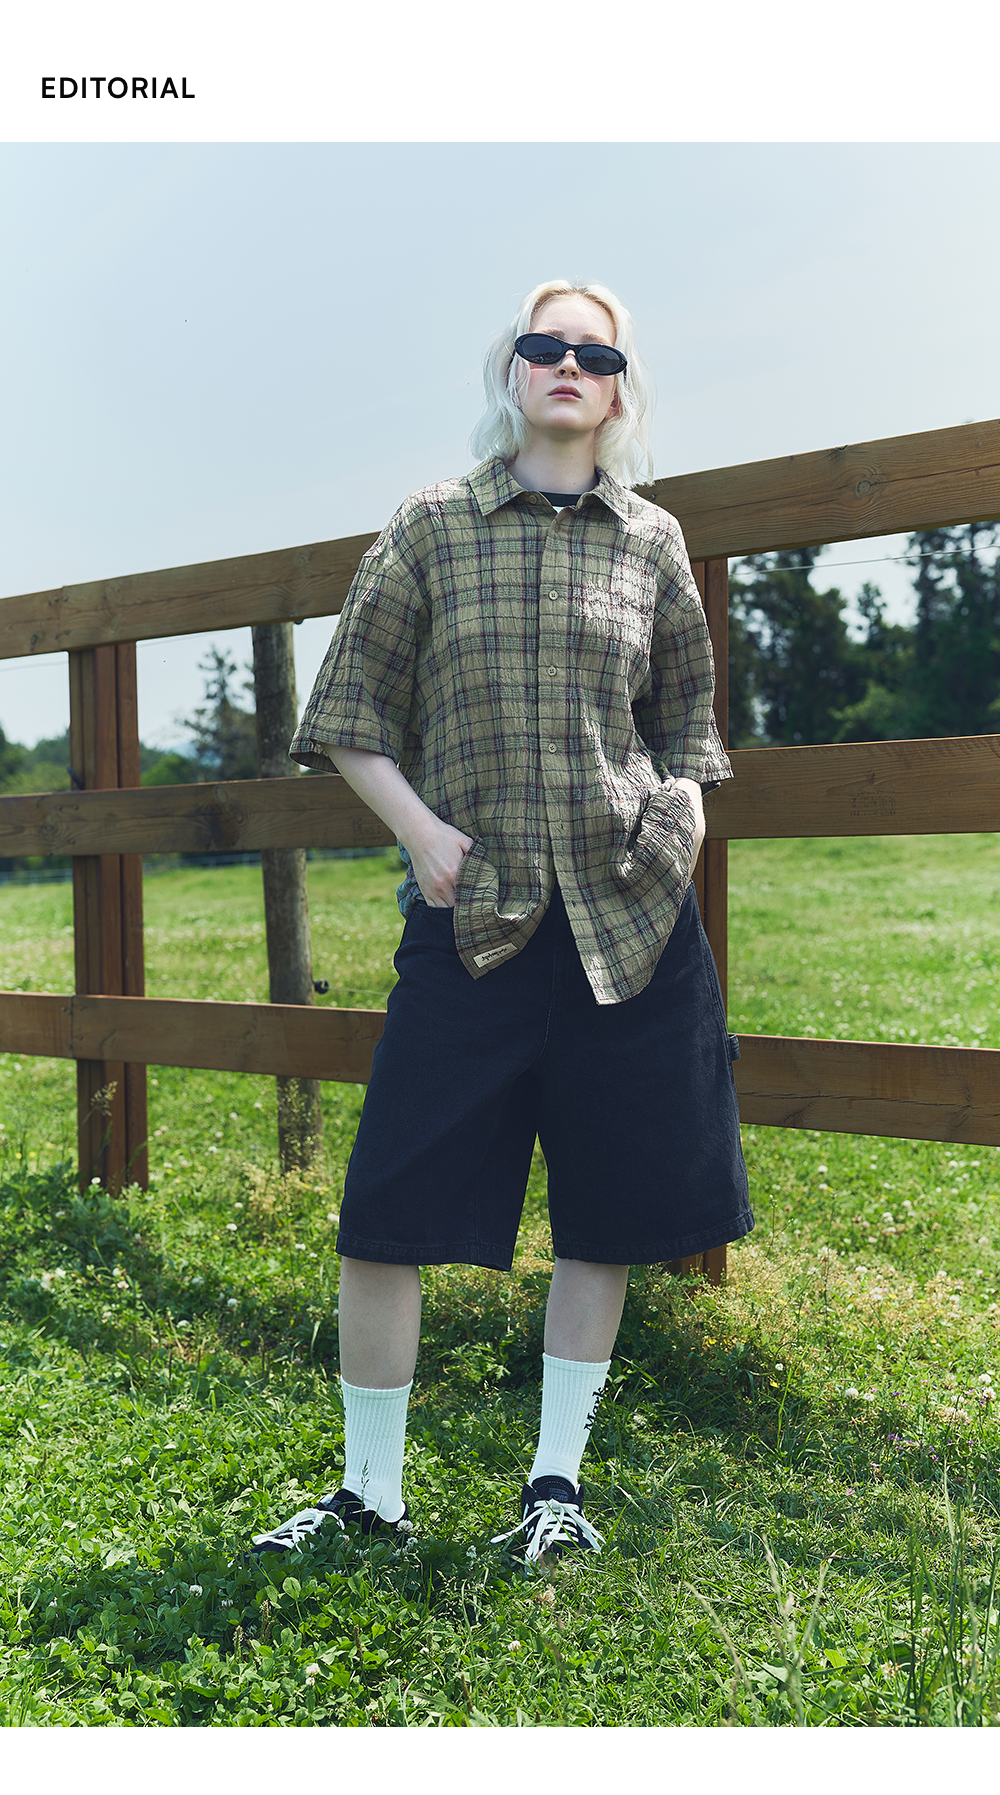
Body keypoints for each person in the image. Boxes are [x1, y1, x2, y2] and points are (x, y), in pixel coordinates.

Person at [250, 278, 752, 1567]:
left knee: (606, 1205)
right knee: (389, 1203)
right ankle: (369, 1495)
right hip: (468, 911)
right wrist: (425, 837)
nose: (570, 366)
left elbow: (688, 727)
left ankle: (555, 1487)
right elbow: (348, 712)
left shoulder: (653, 541)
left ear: (620, 390)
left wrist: (678, 826)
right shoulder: (432, 527)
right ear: (512, 374)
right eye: (546, 347)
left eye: (597, 353)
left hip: (627, 920)